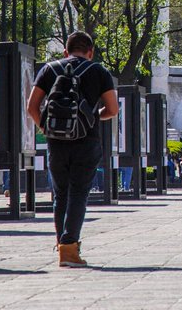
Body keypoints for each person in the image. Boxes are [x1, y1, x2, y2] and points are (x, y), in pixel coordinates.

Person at [27, 30, 118, 268]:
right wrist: (92, 117)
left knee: (60, 194)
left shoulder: (49, 69)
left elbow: (32, 106)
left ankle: (62, 245)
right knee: (78, 192)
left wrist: (47, 128)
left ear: (65, 51)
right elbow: (112, 109)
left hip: (56, 142)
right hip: (87, 141)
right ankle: (69, 247)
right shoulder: (98, 71)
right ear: (90, 52)